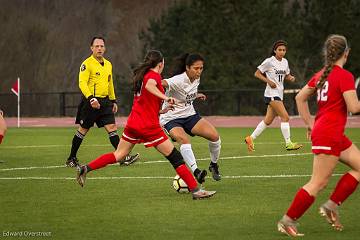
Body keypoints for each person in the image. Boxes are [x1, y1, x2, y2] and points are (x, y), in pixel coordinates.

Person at [76, 50, 216, 200]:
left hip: (134, 123)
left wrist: (162, 110)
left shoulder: (141, 76)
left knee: (119, 155)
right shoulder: (153, 76)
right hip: (149, 127)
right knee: (176, 158)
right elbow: (150, 86)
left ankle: (85, 168)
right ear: (161, 64)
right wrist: (166, 97)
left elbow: (145, 102)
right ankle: (196, 191)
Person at [277, 34, 360, 237]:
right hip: (329, 134)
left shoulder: (323, 73)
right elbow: (354, 107)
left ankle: (331, 206)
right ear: (346, 53)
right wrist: (312, 124)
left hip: (330, 132)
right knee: (318, 182)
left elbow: (300, 97)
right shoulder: (344, 76)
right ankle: (288, 220)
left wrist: (310, 124)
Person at [66, 36, 139, 168]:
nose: (99, 48)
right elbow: (82, 83)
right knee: (83, 130)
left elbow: (110, 83)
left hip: (105, 102)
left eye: (102, 46)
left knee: (112, 128)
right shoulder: (86, 64)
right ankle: (71, 158)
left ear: (105, 48)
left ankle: (123, 157)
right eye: (97, 46)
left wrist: (113, 100)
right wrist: (91, 98)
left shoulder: (108, 64)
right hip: (90, 102)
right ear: (91, 48)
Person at [160, 53, 221, 183]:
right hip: (171, 118)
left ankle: (214, 165)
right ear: (187, 68)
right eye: (196, 68)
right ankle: (196, 172)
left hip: (190, 115)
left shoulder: (196, 79)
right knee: (184, 140)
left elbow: (185, 94)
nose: (199, 71)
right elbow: (159, 84)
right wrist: (149, 81)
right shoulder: (177, 80)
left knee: (215, 136)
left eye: (201, 68)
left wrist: (196, 95)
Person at [245, 40, 302, 152]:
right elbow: (256, 73)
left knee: (268, 120)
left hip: (279, 94)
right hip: (271, 94)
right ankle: (288, 143)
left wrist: (290, 77)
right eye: (279, 50)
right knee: (285, 117)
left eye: (284, 50)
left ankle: (250, 138)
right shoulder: (269, 61)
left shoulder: (285, 62)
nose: (282, 52)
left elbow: (286, 74)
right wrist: (268, 81)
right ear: (275, 50)